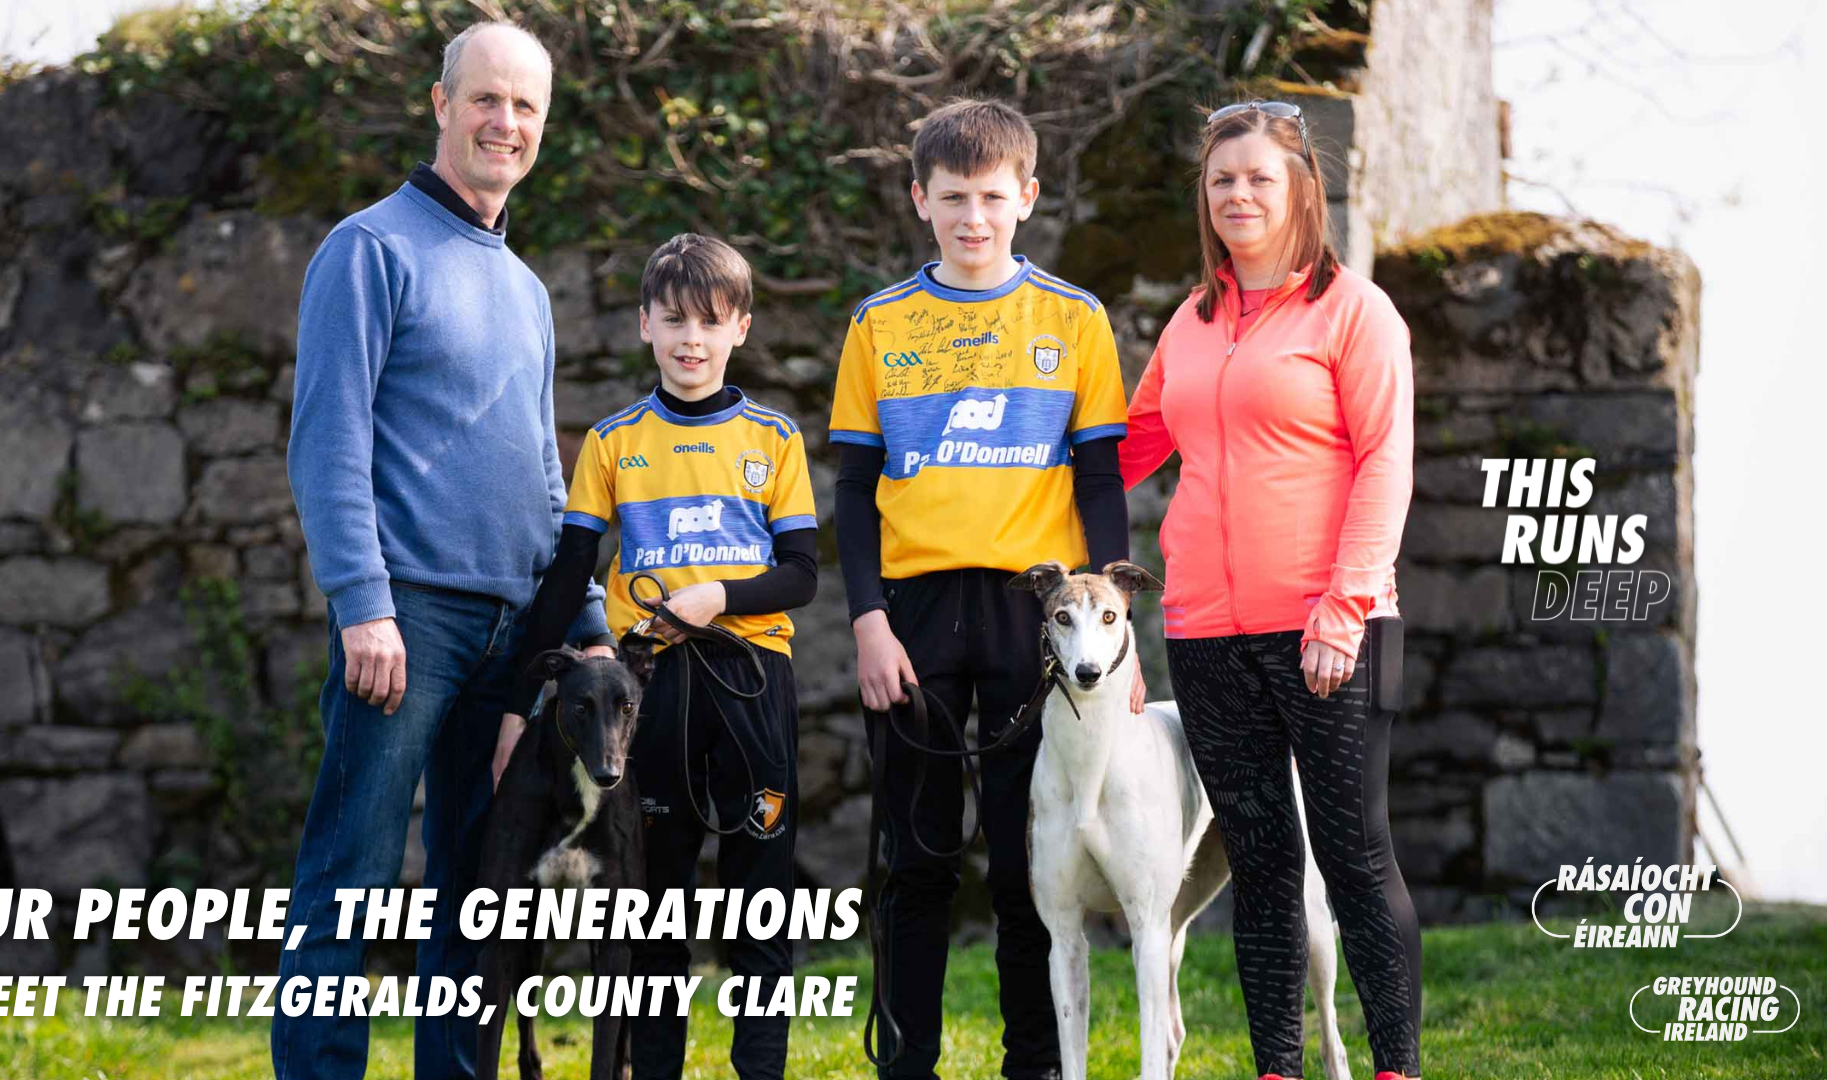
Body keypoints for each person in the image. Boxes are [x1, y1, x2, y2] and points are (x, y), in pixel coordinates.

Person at [276, 21, 613, 1080]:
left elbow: (542, 478)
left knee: (478, 884)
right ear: (439, 103)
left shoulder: (526, 290)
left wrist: (584, 626)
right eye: (485, 99)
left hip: (516, 637)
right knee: (353, 873)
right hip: (406, 622)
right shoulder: (367, 249)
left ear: (543, 127)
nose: (504, 123)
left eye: (525, 108)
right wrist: (361, 600)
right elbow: (326, 440)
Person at [1119, 100, 1422, 1080]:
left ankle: (1395, 1069)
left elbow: (1386, 466)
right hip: (1205, 633)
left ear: (1302, 190)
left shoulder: (1354, 312)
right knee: (1259, 864)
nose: (1238, 194)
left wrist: (1342, 610)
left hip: (1331, 631)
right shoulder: (1193, 320)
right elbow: (1131, 447)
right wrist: (1004, 473)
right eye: (1221, 180)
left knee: (1354, 857)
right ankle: (1278, 1071)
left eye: (1258, 177)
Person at [830, 98, 1132, 1080]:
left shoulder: (1075, 321)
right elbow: (853, 490)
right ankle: (905, 1064)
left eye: (992, 198)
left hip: (1028, 620)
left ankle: (1035, 1064)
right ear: (920, 198)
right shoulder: (878, 324)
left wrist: (1122, 650)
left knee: (1029, 864)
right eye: (953, 197)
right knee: (915, 862)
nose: (973, 218)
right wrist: (869, 624)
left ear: (1027, 198)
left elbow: (1099, 483)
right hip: (912, 618)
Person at [501, 233, 818, 1080]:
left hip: (752, 683)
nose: (691, 339)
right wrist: (513, 705)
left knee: (760, 893)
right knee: (655, 906)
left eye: (709, 323)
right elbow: (570, 570)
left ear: (740, 328)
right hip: (649, 696)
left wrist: (719, 598)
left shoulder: (775, 438)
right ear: (644, 324)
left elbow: (801, 576)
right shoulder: (612, 442)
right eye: (673, 319)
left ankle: (760, 1069)